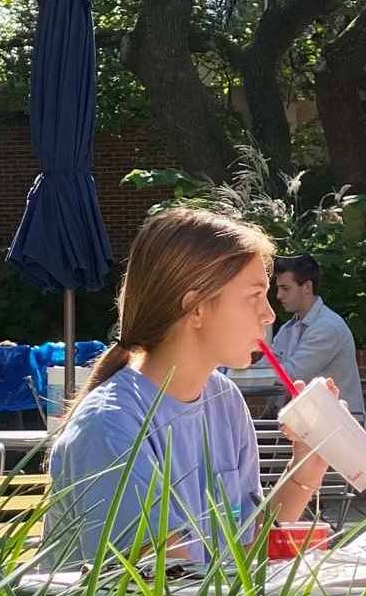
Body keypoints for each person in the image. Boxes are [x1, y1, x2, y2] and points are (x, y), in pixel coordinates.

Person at [48, 208, 337, 567]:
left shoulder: (224, 399)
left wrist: (308, 463)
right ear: (195, 308)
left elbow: (245, 550)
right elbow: (170, 595)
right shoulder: (111, 426)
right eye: (254, 295)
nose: (269, 314)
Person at [269, 254, 366, 429]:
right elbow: (269, 366)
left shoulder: (327, 327)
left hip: (339, 429)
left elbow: (292, 374)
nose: (278, 295)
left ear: (307, 286)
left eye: (285, 288)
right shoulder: (288, 328)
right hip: (305, 424)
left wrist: (246, 375)